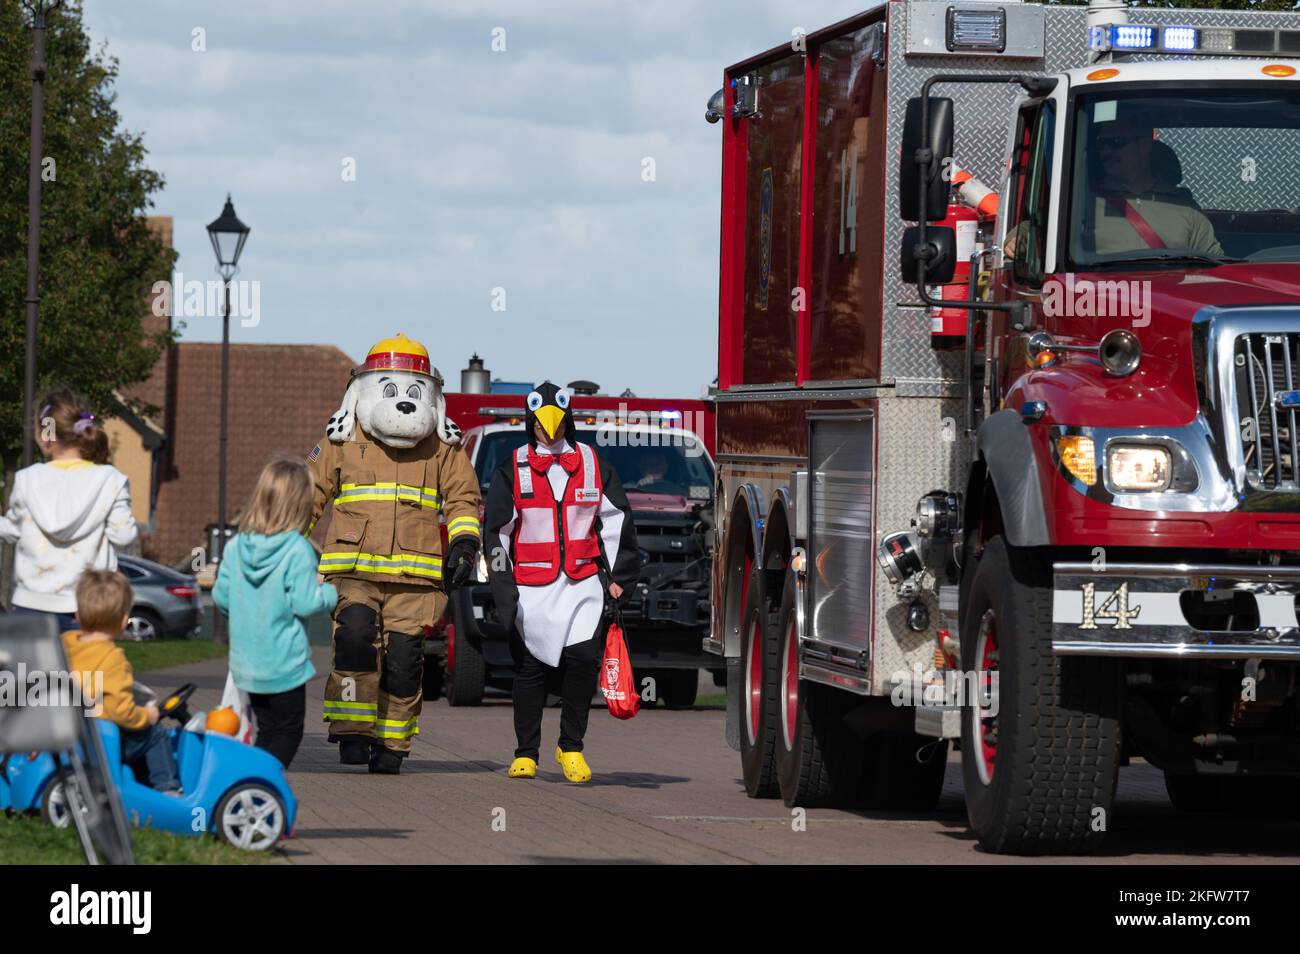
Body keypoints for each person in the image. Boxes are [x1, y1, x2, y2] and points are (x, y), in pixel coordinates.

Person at [309, 334, 482, 774]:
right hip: (353, 572)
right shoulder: (342, 437)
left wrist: (465, 542)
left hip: (415, 577)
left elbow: (463, 498)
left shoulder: (444, 446)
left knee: (405, 662)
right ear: (365, 389)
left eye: (413, 389)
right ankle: (351, 731)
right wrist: (285, 544)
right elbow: (309, 494)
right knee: (354, 642)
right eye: (390, 388)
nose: (403, 402)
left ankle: (393, 744)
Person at [484, 381, 639, 783]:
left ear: (566, 421)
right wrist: (503, 584)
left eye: (553, 425)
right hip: (531, 588)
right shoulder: (512, 466)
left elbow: (617, 518)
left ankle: (571, 746)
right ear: (530, 422)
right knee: (531, 669)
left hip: (582, 582)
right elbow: (498, 532)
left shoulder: (592, 461)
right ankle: (526, 752)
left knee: (584, 660)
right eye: (539, 425)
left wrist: (619, 575)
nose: (547, 432)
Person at [213, 456, 337, 768]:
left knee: (266, 730)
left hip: (247, 663)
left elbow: (222, 597)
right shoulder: (297, 549)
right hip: (283, 665)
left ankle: (251, 783)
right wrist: (330, 593)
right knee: (287, 732)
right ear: (300, 505)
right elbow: (306, 603)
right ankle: (257, 782)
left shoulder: (236, 546)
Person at [0, 387, 138, 634]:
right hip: (87, 607)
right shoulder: (110, 481)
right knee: (87, 673)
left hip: (30, 603)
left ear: (46, 435)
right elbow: (123, 536)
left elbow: (11, 530)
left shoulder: (26, 480)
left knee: (30, 674)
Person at [63, 570, 180, 793]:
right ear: (124, 620)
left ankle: (140, 779)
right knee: (155, 733)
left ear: (77, 615)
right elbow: (121, 711)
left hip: (74, 733)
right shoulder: (112, 658)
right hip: (102, 741)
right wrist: (147, 715)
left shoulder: (65, 645)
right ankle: (167, 788)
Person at [1085, 113, 1222, 256]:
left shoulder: (1185, 207)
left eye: (1116, 142)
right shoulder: (1084, 204)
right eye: (1101, 144)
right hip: (1107, 280)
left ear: (1144, 146)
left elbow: (1214, 263)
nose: (1106, 151)